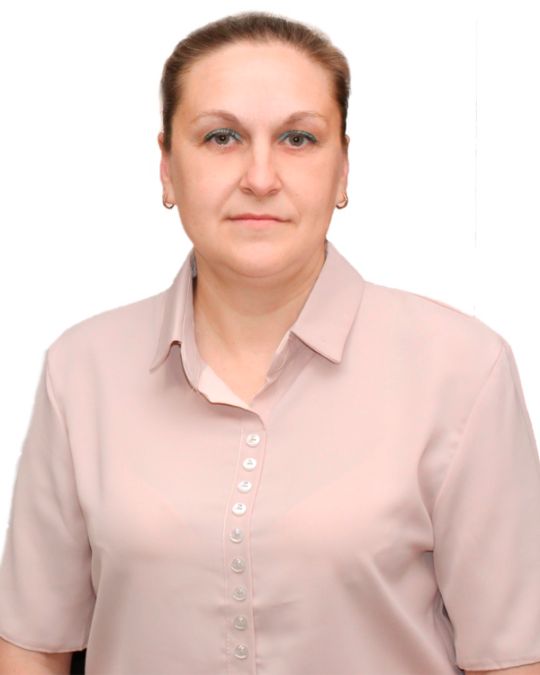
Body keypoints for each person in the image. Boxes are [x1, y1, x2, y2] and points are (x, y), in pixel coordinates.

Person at [1, 10, 540, 675]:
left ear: (342, 169)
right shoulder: (81, 371)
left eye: (298, 138)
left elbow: (512, 658)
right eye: (221, 137)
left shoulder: (463, 371)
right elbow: (33, 645)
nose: (260, 176)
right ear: (167, 167)